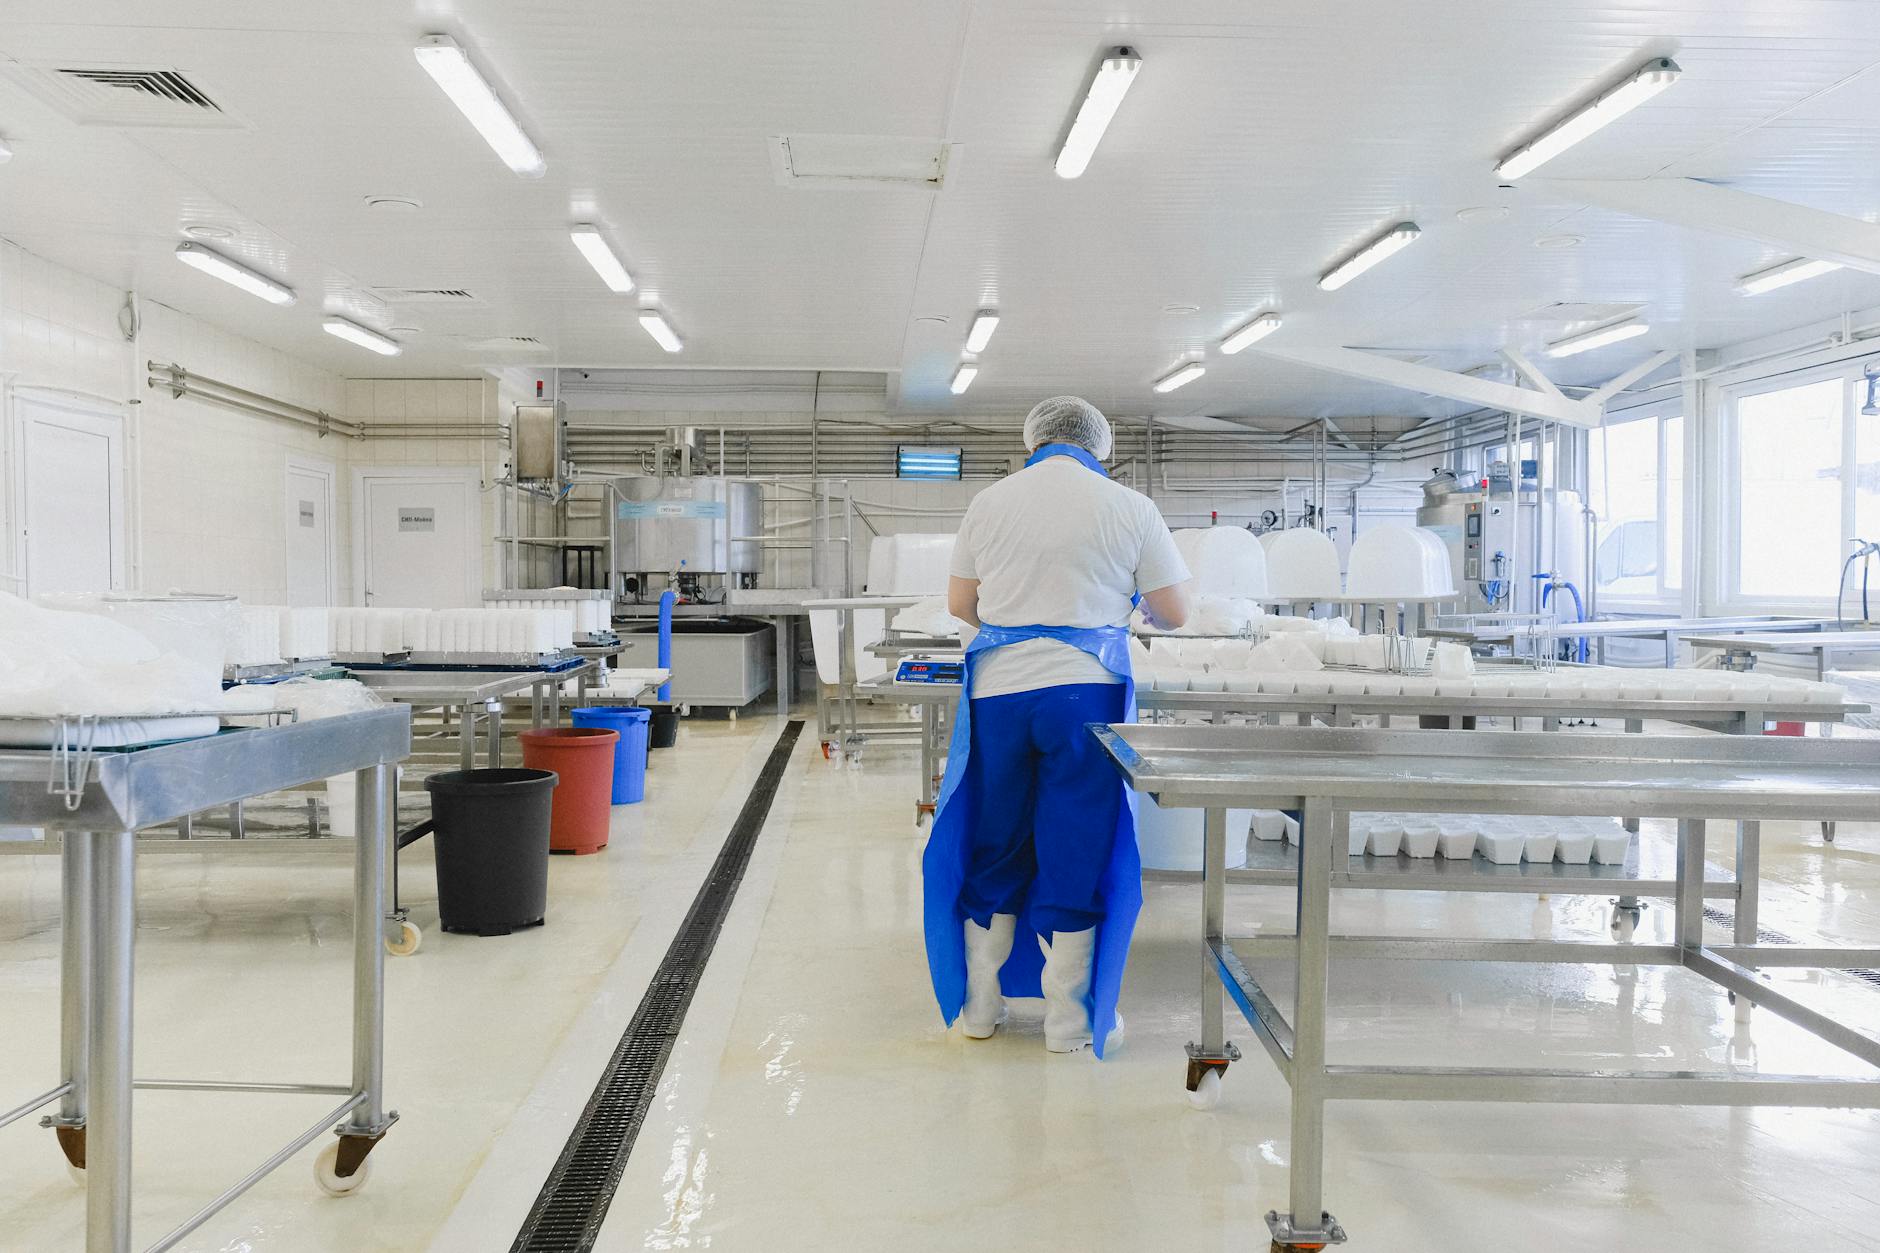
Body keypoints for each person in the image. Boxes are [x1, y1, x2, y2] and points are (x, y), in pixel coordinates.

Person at [922, 396, 1194, 1056]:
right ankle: (1068, 1020)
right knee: (1077, 841)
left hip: (999, 694)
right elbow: (1176, 610)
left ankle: (980, 1009)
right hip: (1086, 692)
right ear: (1099, 446)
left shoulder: (989, 502)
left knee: (997, 837)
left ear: (1033, 439)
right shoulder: (1130, 507)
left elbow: (962, 603)